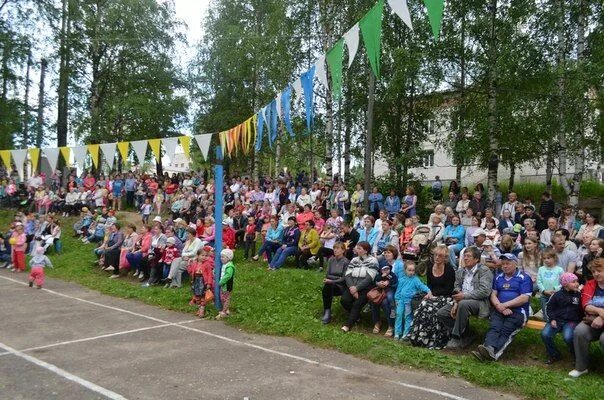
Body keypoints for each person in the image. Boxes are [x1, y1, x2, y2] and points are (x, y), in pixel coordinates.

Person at [472, 253, 533, 362]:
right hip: (499, 309)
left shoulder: (524, 277)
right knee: (494, 327)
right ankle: (488, 349)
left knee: (506, 330)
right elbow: (493, 294)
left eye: (508, 263)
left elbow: (524, 298)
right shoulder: (498, 277)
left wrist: (503, 305)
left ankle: (492, 354)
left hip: (518, 311)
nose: (505, 266)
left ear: (515, 264)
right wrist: (499, 306)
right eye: (503, 264)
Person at [437, 246, 494, 349]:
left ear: (476, 259)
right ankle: (467, 334)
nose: (465, 258)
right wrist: (456, 301)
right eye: (464, 256)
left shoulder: (484, 271)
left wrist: (463, 297)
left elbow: (484, 291)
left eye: (468, 256)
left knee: (463, 304)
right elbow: (457, 287)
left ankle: (456, 337)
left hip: (479, 303)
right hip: (461, 301)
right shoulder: (461, 271)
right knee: (442, 313)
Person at [409, 244, 456, 349]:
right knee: (422, 306)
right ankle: (418, 337)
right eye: (435, 255)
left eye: (440, 256)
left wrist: (433, 295)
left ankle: (434, 339)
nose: (437, 258)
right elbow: (429, 285)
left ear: (445, 258)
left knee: (431, 308)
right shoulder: (430, 268)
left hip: (446, 297)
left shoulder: (449, 270)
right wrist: (429, 293)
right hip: (433, 295)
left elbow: (449, 289)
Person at [570, 258, 604, 378]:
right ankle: (581, 367)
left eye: (599, 271)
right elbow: (586, 305)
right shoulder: (590, 284)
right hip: (592, 319)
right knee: (580, 331)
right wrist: (600, 311)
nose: (596, 274)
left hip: (598, 319)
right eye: (594, 271)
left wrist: (601, 318)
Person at [540, 273, 582, 364]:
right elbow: (549, 308)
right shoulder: (557, 295)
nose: (577, 284)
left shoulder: (579, 295)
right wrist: (552, 319)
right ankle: (554, 354)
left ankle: (576, 356)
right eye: (573, 282)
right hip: (557, 320)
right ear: (565, 284)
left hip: (572, 321)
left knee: (568, 337)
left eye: (577, 281)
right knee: (545, 334)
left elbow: (582, 310)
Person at [340, 242, 379, 332]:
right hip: (352, 286)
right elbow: (348, 274)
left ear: (365, 251)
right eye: (357, 248)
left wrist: (357, 288)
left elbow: (369, 278)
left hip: (365, 288)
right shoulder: (354, 260)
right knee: (344, 300)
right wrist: (352, 288)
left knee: (357, 305)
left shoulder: (373, 261)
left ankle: (348, 326)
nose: (356, 249)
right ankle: (357, 316)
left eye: (359, 248)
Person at [394, 261, 432, 340]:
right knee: (399, 315)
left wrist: (429, 291)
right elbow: (398, 290)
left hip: (409, 302)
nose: (411, 272)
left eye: (413, 270)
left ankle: (406, 333)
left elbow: (422, 286)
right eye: (409, 270)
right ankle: (397, 333)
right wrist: (396, 299)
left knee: (408, 316)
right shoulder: (401, 279)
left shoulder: (416, 280)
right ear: (405, 270)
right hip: (401, 300)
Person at [321, 242, 350, 324]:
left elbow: (344, 278)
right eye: (334, 248)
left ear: (343, 250)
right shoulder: (331, 260)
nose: (335, 250)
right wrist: (335, 278)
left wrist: (333, 280)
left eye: (337, 248)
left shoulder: (346, 262)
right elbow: (327, 275)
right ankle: (327, 311)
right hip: (330, 284)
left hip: (341, 286)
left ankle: (327, 312)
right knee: (327, 287)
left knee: (328, 285)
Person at [371, 262, 399, 337]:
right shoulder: (379, 275)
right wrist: (378, 283)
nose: (386, 271)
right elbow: (375, 281)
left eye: (387, 269)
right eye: (384, 269)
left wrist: (388, 282)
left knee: (386, 301)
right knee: (374, 300)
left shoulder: (392, 273)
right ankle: (377, 322)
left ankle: (391, 325)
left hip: (390, 291)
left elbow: (395, 281)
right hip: (380, 291)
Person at [537, 249, 564, 321]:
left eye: (548, 258)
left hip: (556, 295)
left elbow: (563, 282)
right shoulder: (541, 269)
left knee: (557, 310)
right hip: (544, 295)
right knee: (545, 311)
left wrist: (555, 289)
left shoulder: (559, 270)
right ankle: (547, 321)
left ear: (554, 258)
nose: (546, 260)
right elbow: (539, 281)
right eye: (544, 258)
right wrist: (544, 290)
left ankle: (557, 321)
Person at [188, 247, 214, 318]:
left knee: (203, 296)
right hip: (196, 281)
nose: (204, 257)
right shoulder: (194, 263)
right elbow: (190, 272)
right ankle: (199, 309)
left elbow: (210, 274)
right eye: (202, 255)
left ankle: (202, 310)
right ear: (197, 255)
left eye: (206, 256)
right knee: (197, 296)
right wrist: (189, 265)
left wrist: (209, 283)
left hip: (203, 281)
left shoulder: (207, 264)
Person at [217, 248, 235, 319]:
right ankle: (226, 309)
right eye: (221, 257)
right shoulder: (225, 264)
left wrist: (221, 281)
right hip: (224, 285)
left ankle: (224, 312)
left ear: (228, 257)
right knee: (223, 297)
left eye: (223, 257)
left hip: (227, 285)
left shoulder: (229, 266)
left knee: (226, 298)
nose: (221, 258)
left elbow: (228, 275)